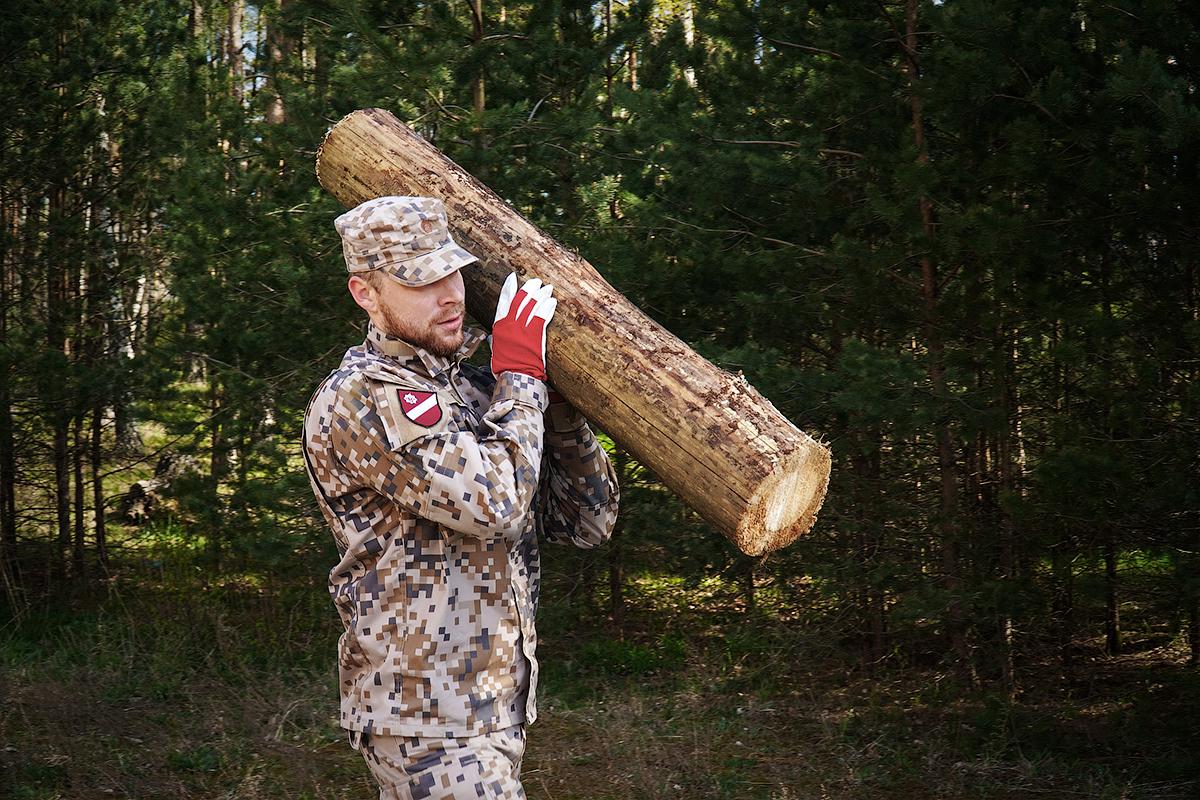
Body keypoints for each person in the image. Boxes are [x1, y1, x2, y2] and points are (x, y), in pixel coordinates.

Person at [302, 195, 619, 800]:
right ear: (365, 293)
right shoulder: (365, 398)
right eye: (421, 281)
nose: (450, 294)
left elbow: (586, 522)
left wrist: (562, 411)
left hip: (491, 706)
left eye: (451, 271)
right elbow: (496, 506)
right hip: (423, 716)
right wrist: (522, 379)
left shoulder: (474, 387)